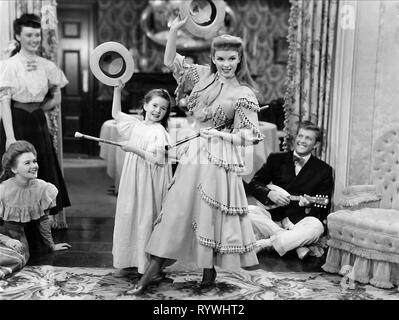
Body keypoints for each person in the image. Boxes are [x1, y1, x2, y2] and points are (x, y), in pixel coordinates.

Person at [130, 16, 263, 295]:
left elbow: (248, 136)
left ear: (239, 60)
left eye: (232, 59)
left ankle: (208, 274)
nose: (226, 64)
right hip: (194, 154)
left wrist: (219, 135)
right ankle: (151, 274)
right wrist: (174, 31)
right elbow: (170, 61)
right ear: (213, 58)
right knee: (177, 211)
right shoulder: (202, 76)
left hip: (218, 157)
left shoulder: (243, 93)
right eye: (221, 58)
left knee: (208, 215)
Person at [0, 13, 71, 220]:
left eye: (37, 36)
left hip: (38, 123)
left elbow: (57, 97)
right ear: (19, 36)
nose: (34, 40)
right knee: (17, 170)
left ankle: (39, 224)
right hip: (17, 121)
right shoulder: (8, 65)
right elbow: (4, 103)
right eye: (29, 35)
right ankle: (16, 222)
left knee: (41, 170)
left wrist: (40, 109)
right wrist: (11, 138)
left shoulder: (46, 65)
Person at [111, 82, 174, 277]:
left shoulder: (159, 132)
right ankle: (132, 258)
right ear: (145, 105)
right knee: (131, 213)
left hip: (149, 181)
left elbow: (158, 160)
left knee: (146, 215)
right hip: (134, 180)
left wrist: (133, 149)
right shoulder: (136, 125)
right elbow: (116, 114)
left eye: (163, 108)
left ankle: (147, 263)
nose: (158, 111)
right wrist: (117, 90)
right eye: (154, 105)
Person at [245, 121, 334, 260]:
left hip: (298, 222)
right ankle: (295, 244)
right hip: (272, 217)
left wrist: (308, 204)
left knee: (317, 227)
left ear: (316, 144)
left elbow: (324, 203)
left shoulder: (324, 170)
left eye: (308, 138)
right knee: (247, 211)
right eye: (300, 136)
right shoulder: (276, 159)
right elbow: (254, 184)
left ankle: (265, 244)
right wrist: (269, 194)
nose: (302, 141)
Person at [0, 140, 71, 258]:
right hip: (2, 234)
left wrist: (51, 245)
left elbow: (44, 220)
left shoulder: (43, 188)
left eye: (34, 161)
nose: (34, 166)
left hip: (18, 236)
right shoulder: (2, 190)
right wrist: (7, 240)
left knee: (19, 256)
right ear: (14, 169)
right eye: (27, 163)